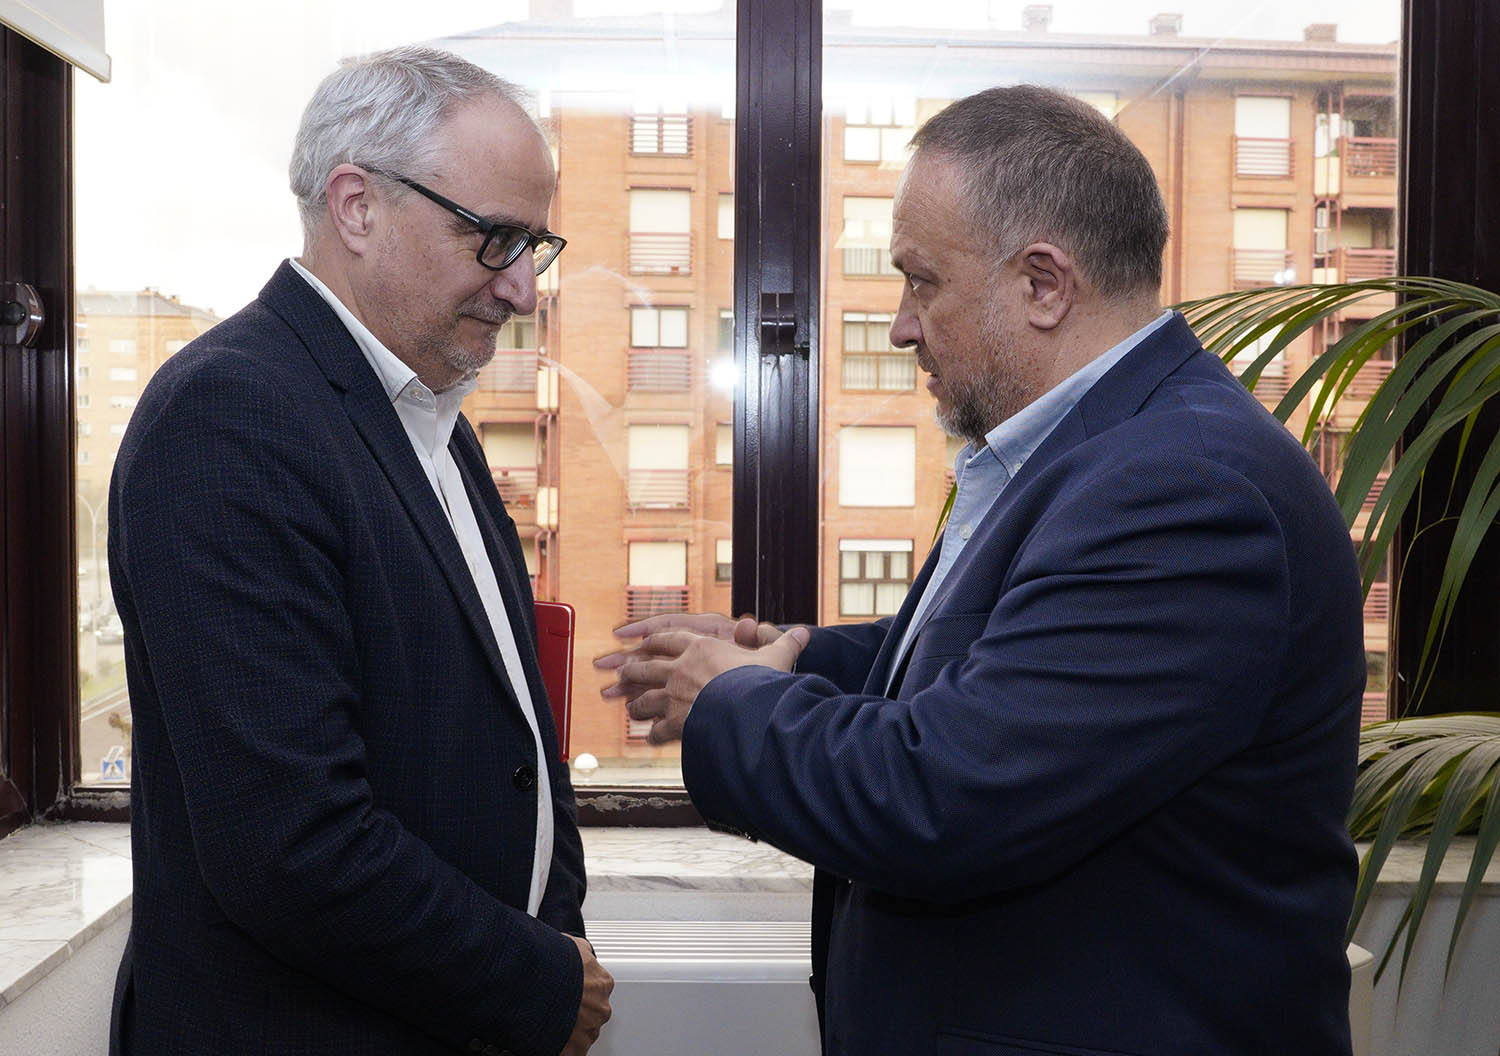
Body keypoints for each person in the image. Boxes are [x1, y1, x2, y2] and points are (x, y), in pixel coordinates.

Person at [598, 84, 1364, 1055]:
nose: (900, 327)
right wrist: (800, 658)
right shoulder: (1101, 450)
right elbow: (1007, 656)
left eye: (922, 281)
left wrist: (735, 702)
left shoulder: (1187, 492)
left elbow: (943, 802)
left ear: (1043, 284)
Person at [109, 46, 611, 1056]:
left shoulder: (430, 416)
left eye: (535, 246)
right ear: (356, 206)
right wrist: (537, 979)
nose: (522, 289)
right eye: (495, 240)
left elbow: (510, 735)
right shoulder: (230, 419)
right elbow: (290, 846)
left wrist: (553, 926)